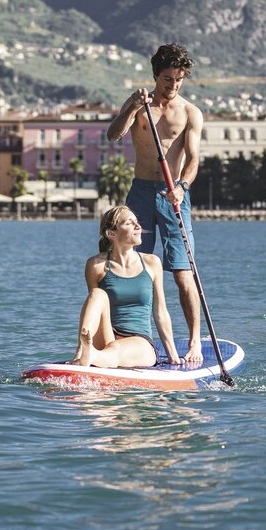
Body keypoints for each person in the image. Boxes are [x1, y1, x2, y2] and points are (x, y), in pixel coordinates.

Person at [106, 43, 206, 362]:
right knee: (137, 267)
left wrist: (183, 187)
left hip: (173, 195)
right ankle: (136, 338)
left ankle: (194, 343)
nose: (172, 86)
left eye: (178, 80)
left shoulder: (190, 112)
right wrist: (132, 108)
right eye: (167, 79)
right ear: (155, 76)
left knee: (181, 273)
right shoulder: (140, 103)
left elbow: (193, 159)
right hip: (140, 194)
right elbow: (113, 135)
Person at [69, 206, 183, 368]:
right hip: (108, 336)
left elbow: (160, 311)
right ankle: (82, 351)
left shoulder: (152, 263)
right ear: (111, 234)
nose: (138, 227)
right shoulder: (96, 265)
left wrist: (173, 355)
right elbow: (95, 310)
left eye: (137, 222)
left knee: (116, 349)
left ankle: (93, 356)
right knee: (97, 294)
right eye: (130, 223)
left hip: (140, 342)